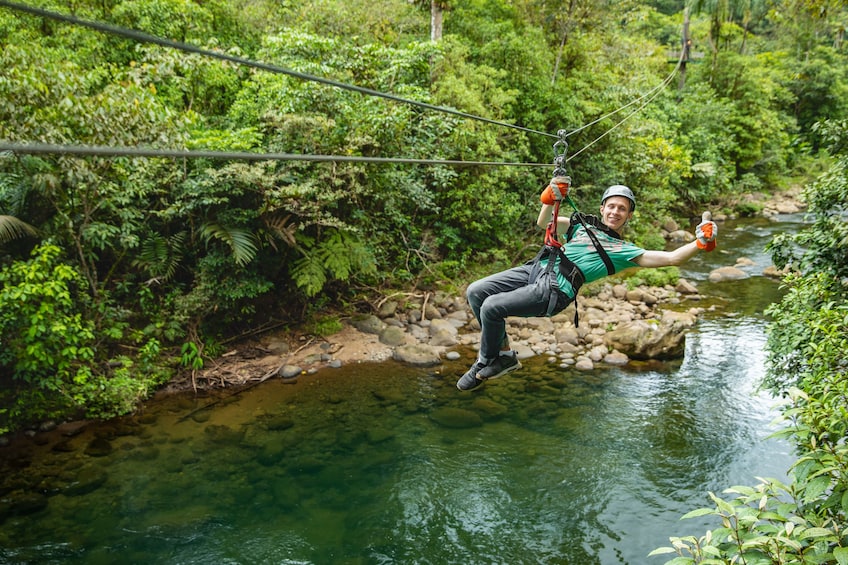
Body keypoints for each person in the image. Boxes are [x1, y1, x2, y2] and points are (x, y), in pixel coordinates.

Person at [456, 178, 717, 391]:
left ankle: (485, 362)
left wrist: (701, 242)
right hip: (537, 269)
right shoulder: (581, 227)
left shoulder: (622, 250)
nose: (615, 212)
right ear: (602, 208)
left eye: (622, 209)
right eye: (612, 206)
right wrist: (550, 196)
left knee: (491, 307)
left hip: (555, 290)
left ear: (629, 216)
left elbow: (672, 257)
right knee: (476, 292)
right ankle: (503, 355)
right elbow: (543, 222)